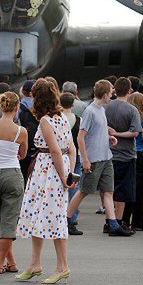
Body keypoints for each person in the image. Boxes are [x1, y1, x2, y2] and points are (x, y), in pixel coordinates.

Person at [16, 79, 76, 284]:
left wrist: (63, 176)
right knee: (40, 216)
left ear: (37, 98)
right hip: (55, 170)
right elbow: (71, 148)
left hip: (47, 171)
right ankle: (35, 264)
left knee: (52, 217)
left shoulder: (45, 121)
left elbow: (55, 150)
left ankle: (62, 267)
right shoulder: (63, 118)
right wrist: (70, 173)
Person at [67, 80, 133, 236]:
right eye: (110, 93)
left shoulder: (102, 109)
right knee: (83, 191)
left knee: (109, 192)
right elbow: (81, 137)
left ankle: (113, 225)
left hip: (106, 157)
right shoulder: (90, 111)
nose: (112, 95)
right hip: (94, 159)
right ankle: (67, 220)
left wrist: (109, 137)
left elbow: (97, 131)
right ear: (104, 95)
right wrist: (86, 159)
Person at [0, 92, 27, 274]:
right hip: (13, 174)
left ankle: (7, 261)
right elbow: (23, 155)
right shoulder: (21, 131)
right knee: (9, 221)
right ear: (17, 108)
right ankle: (3, 262)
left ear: (0, 106)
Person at [105, 77, 142, 228]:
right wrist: (119, 134)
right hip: (127, 155)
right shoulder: (132, 110)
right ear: (129, 90)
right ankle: (118, 222)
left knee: (108, 190)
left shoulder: (107, 107)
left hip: (109, 154)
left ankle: (109, 220)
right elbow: (135, 133)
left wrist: (111, 134)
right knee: (123, 191)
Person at [123, 92, 143, 230]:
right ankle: (139, 222)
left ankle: (125, 219)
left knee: (128, 188)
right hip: (141, 154)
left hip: (128, 153)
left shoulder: (128, 117)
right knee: (139, 190)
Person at [60, 92, 83, 235]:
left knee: (60, 187)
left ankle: (60, 216)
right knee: (74, 187)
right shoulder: (79, 120)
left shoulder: (57, 119)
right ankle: (71, 219)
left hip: (62, 155)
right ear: (73, 105)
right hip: (76, 155)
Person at [18, 79, 37, 184]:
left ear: (23, 92)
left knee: (22, 174)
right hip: (38, 148)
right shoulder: (40, 107)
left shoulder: (19, 107)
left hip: (23, 145)